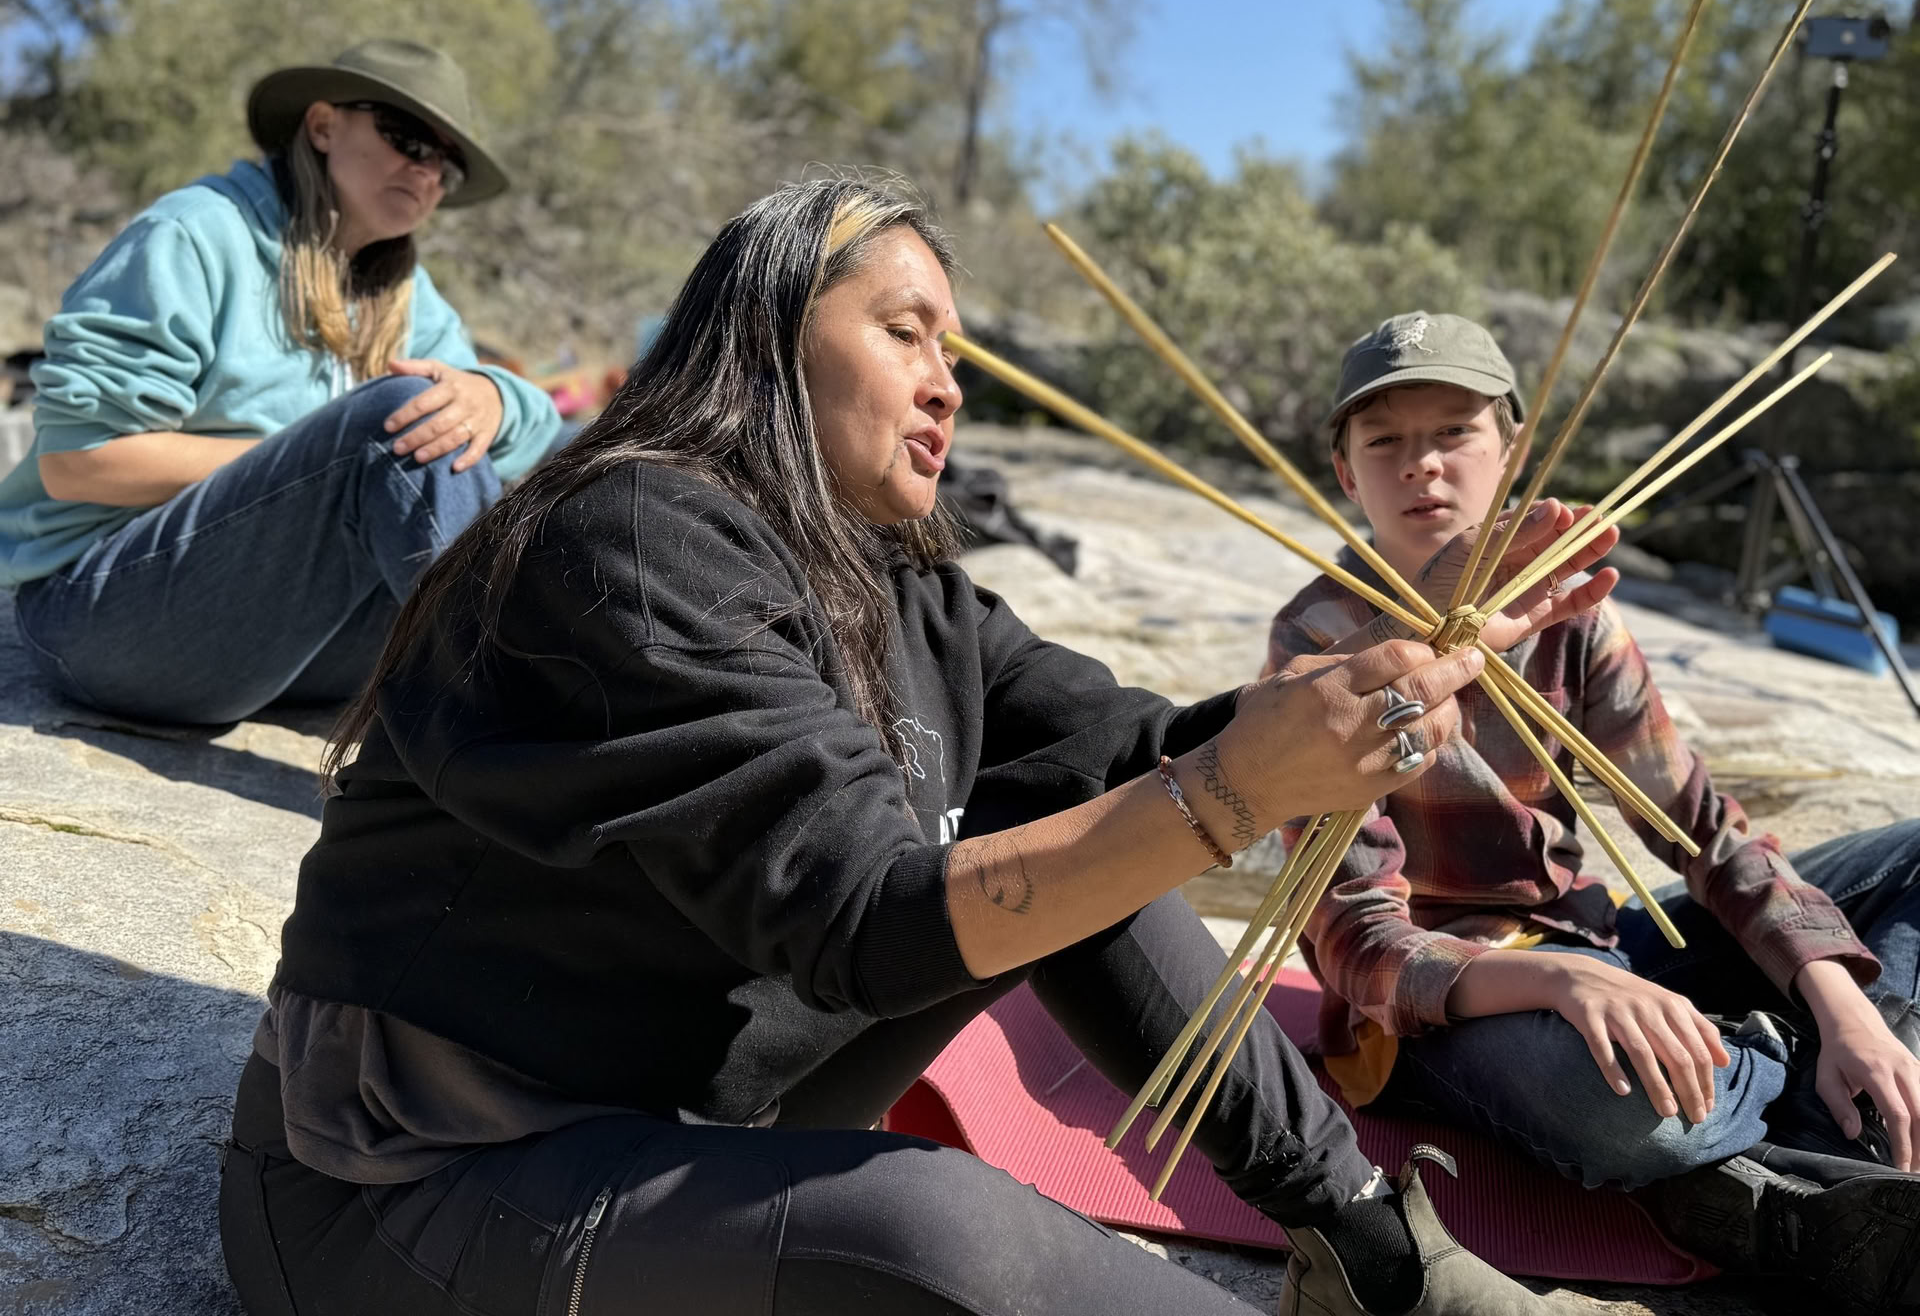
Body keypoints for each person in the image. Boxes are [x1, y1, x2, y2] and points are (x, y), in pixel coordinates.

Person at [219, 179, 1620, 1316]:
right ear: (765, 330)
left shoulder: (905, 587)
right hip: (417, 1179)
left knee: (1094, 826)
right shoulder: (625, 538)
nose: (947, 383)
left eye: (956, 349)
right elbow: (865, 928)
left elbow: (1140, 753)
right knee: (939, 1232)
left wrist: (1378, 684)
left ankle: (1377, 1250)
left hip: (675, 1114)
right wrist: (1234, 785)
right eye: (906, 330)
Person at [1263, 311, 1920, 1315]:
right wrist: (1553, 980)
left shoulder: (1571, 614)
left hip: (1604, 950)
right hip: (1455, 1012)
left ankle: (1848, 1074)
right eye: (1384, 442)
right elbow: (1358, 945)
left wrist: (1844, 1004)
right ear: (1346, 475)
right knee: (1619, 1110)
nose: (1422, 467)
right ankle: (1800, 1112)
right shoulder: (1321, 642)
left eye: (1454, 434)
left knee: (1909, 861)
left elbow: (1703, 831)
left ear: (1511, 449)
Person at [0, 39, 560, 724]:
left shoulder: (405, 295)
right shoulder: (196, 235)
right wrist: (320, 468)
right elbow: (77, 464)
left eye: (446, 164)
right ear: (323, 126)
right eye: (407, 138)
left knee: (597, 456)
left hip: (280, 645)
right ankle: (525, 739)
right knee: (401, 421)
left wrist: (497, 398)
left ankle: (618, 714)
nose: (426, 172)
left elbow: (511, 445)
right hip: (99, 616)